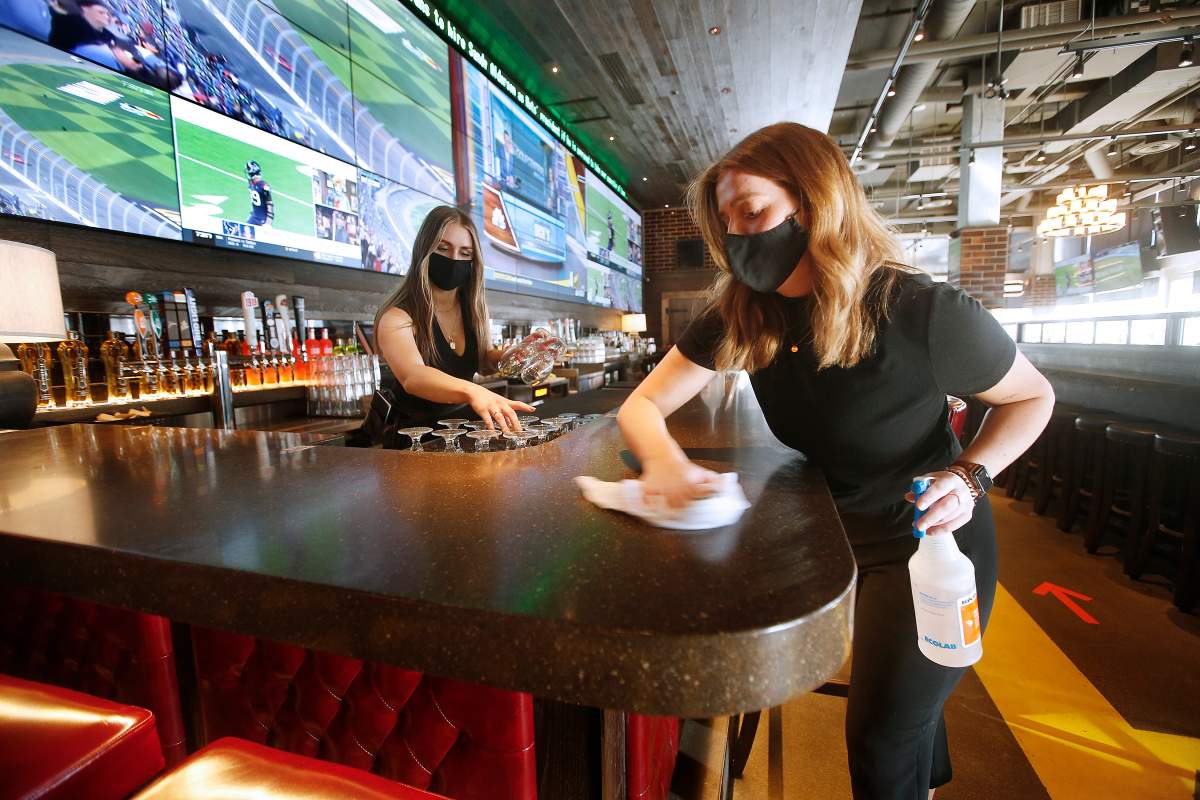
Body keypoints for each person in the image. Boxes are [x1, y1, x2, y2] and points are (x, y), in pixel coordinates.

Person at [616, 122, 1054, 800]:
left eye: (752, 210)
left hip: (930, 541)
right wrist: (664, 463)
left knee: (882, 737)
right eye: (727, 220)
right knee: (902, 713)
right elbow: (640, 408)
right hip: (835, 540)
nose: (738, 234)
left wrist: (970, 476)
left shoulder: (920, 311)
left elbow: (1033, 396)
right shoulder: (744, 314)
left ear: (815, 200)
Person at [370, 206, 534, 444]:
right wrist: (473, 391)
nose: (454, 259)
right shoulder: (397, 316)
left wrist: (514, 356)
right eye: (443, 248)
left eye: (465, 253)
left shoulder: (472, 310)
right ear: (424, 251)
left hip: (464, 432)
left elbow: (481, 361)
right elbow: (413, 376)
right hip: (415, 439)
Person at [245, 161, 273, 226]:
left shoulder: (263, 186)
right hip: (254, 217)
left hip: (261, 220)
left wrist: (268, 223)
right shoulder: (252, 185)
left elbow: (270, 205)